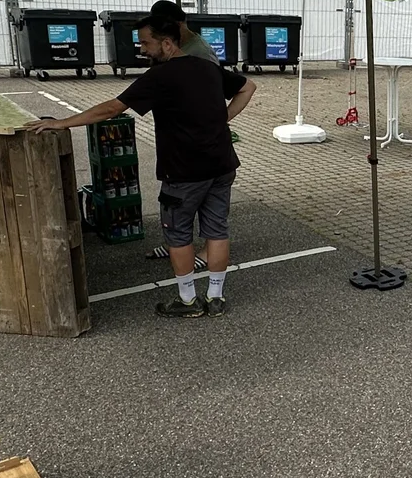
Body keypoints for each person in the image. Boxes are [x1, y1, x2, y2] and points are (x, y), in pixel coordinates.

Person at [29, 16, 254, 318]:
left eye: (146, 43)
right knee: (216, 231)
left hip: (184, 173)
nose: (142, 49)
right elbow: (248, 87)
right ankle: (216, 298)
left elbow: (112, 108)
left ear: (166, 43)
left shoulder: (161, 76)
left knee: (179, 235)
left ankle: (188, 301)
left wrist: (61, 122)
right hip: (222, 165)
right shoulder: (208, 67)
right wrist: (221, 120)